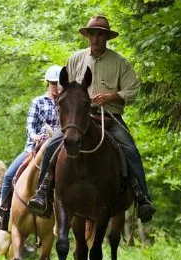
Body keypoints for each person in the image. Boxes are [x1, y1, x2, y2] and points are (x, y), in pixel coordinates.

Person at [27, 16, 156, 222]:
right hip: (79, 118)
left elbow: (132, 90)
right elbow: (63, 89)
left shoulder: (120, 62)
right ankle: (42, 194)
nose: (96, 38)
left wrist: (111, 96)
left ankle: (142, 198)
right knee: (51, 146)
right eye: (92, 34)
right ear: (87, 36)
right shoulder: (75, 59)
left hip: (110, 117)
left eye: (100, 34)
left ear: (107, 37)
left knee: (130, 149)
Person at [0, 65, 62, 231]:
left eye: (59, 83)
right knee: (9, 176)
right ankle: (3, 213)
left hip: (60, 150)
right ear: (48, 84)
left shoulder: (67, 102)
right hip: (36, 147)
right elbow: (30, 125)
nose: (56, 87)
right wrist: (35, 136)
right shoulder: (38, 102)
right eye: (53, 83)